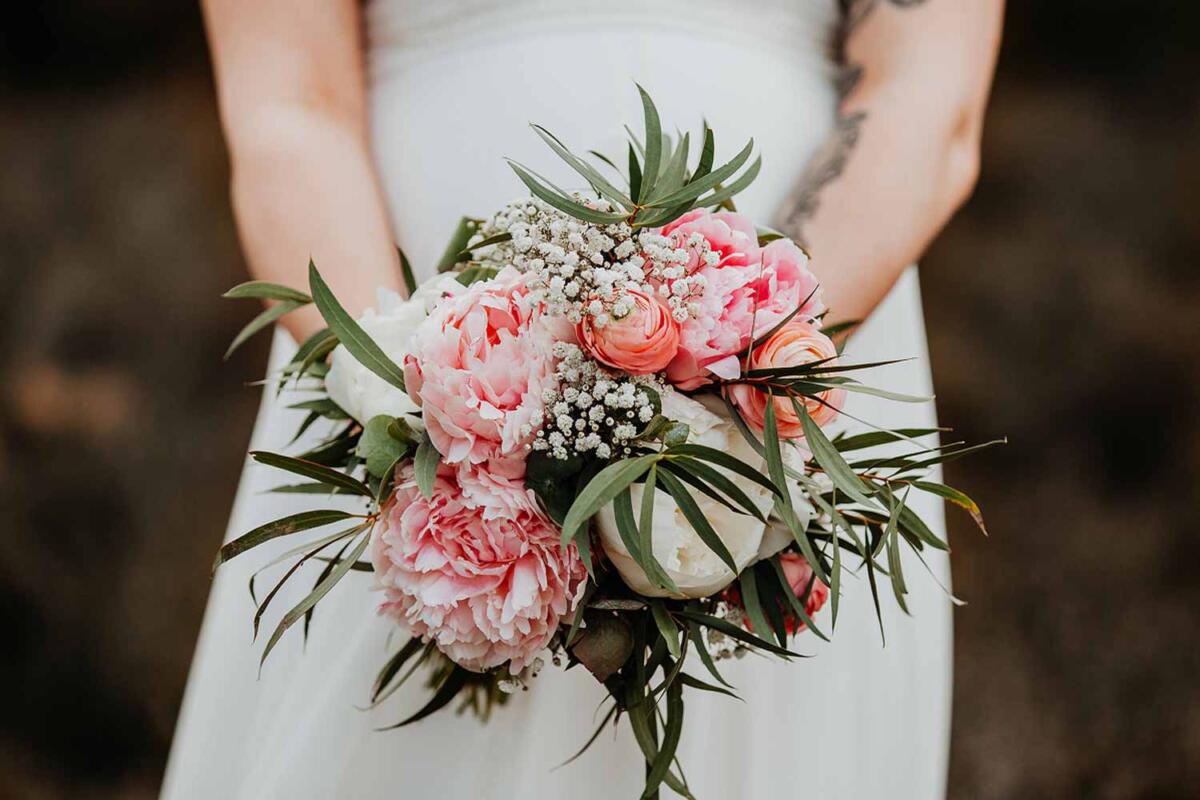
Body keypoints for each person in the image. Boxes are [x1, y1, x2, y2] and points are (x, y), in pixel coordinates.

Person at [162, 1, 1003, 797]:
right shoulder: (416, 418)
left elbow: (927, 99)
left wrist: (733, 400)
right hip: (409, 346)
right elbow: (290, 109)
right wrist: (422, 414)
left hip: (805, 359)